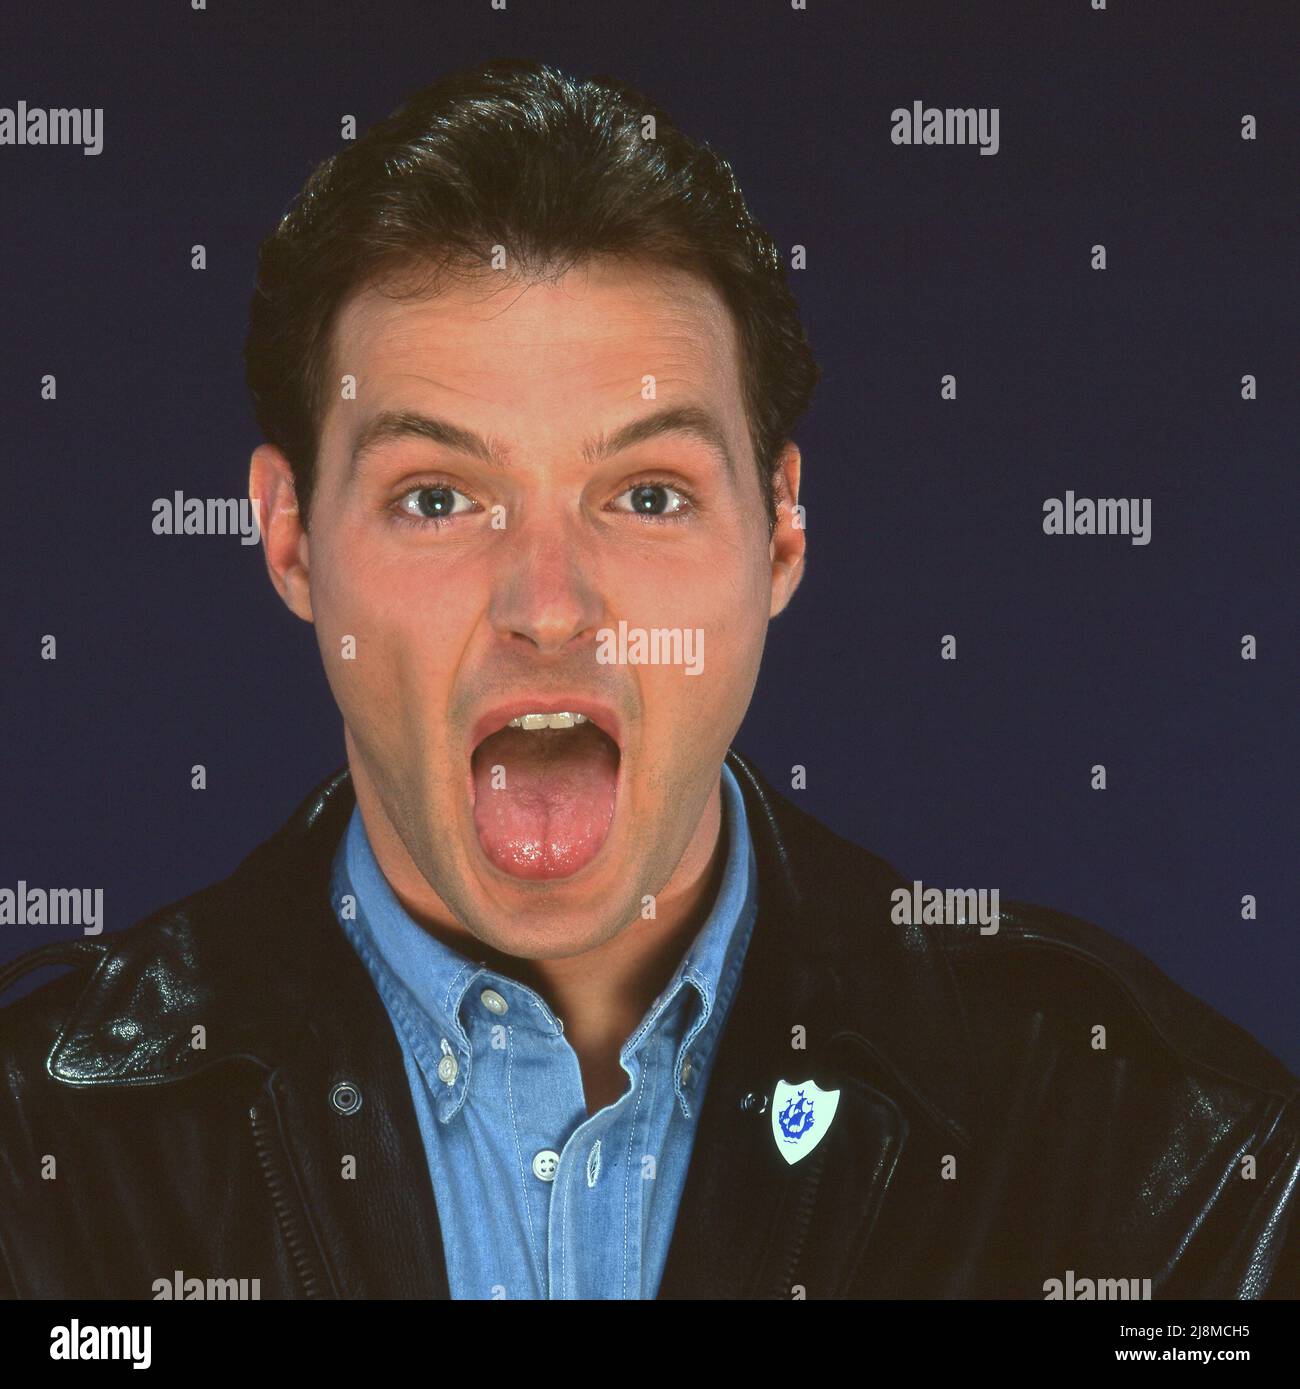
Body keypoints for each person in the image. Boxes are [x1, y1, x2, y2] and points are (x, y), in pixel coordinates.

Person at [1, 59, 1296, 1301]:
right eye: (439, 496)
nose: (549, 606)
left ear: (780, 532)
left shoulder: (1166, 1165)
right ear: (290, 538)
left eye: (649, 492)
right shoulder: (38, 1156)